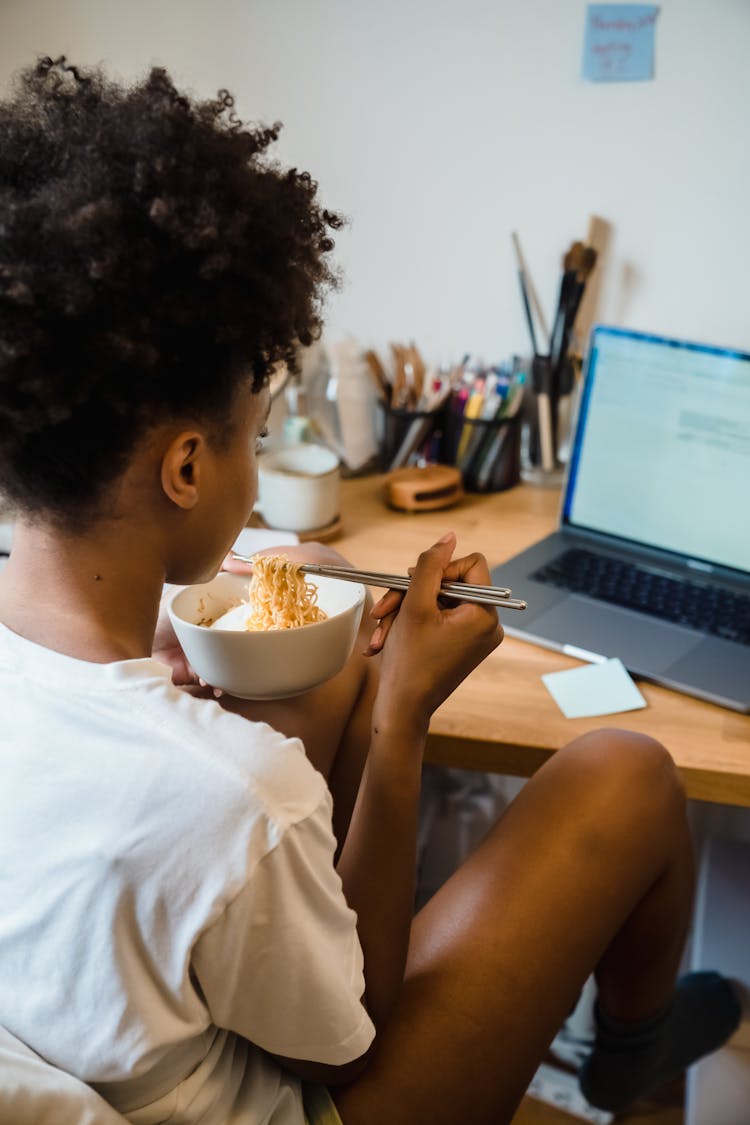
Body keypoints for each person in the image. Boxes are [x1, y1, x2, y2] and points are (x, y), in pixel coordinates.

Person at [0, 56, 741, 1125]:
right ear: (189, 468)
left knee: (326, 623)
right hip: (320, 1100)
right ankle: (639, 1064)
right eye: (257, 437)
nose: (260, 466)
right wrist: (402, 717)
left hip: (119, 1040)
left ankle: (636, 1048)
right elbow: (352, 1035)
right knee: (625, 771)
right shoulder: (232, 797)